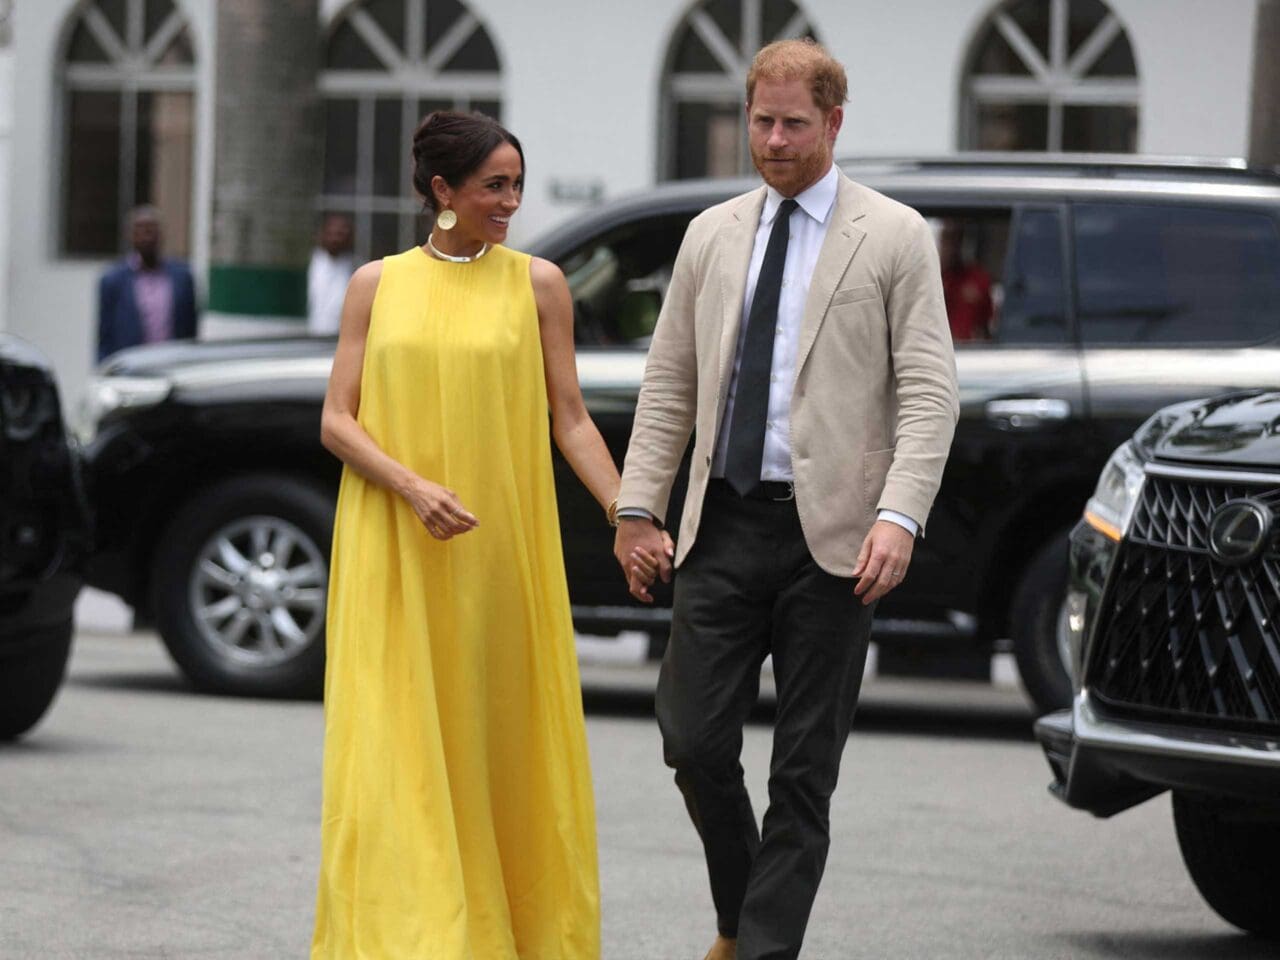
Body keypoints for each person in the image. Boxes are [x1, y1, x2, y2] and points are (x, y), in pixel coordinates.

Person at [614, 40, 960, 960]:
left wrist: (900, 514)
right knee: (691, 742)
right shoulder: (714, 232)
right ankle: (742, 914)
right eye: (760, 121)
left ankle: (762, 950)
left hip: (835, 542)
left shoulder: (890, 235)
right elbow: (671, 382)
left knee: (804, 774)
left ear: (833, 122)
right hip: (720, 525)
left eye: (793, 123)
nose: (772, 139)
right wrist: (637, 506)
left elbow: (930, 391)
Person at [312, 111, 639, 959]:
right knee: (399, 756)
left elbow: (570, 420)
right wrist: (412, 486)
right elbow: (337, 421)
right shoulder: (376, 286)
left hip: (499, 552)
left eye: (517, 184)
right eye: (494, 185)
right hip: (395, 546)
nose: (511, 201)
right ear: (441, 191)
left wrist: (625, 512)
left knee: (500, 749)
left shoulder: (539, 285)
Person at [96, 206, 197, 362]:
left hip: (172, 362)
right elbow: (105, 334)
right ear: (130, 237)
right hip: (132, 365)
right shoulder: (113, 280)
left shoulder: (182, 277)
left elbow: (191, 329)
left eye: (150, 231)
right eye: (139, 232)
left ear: (160, 235)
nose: (146, 238)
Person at [938, 218, 994, 341]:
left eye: (955, 240)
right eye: (946, 240)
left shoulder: (978, 279)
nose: (950, 247)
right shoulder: (927, 278)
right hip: (934, 351)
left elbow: (987, 326)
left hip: (969, 354)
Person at [306, 213, 355, 336]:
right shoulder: (313, 263)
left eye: (340, 234)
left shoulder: (356, 267)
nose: (335, 239)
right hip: (311, 335)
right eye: (331, 233)